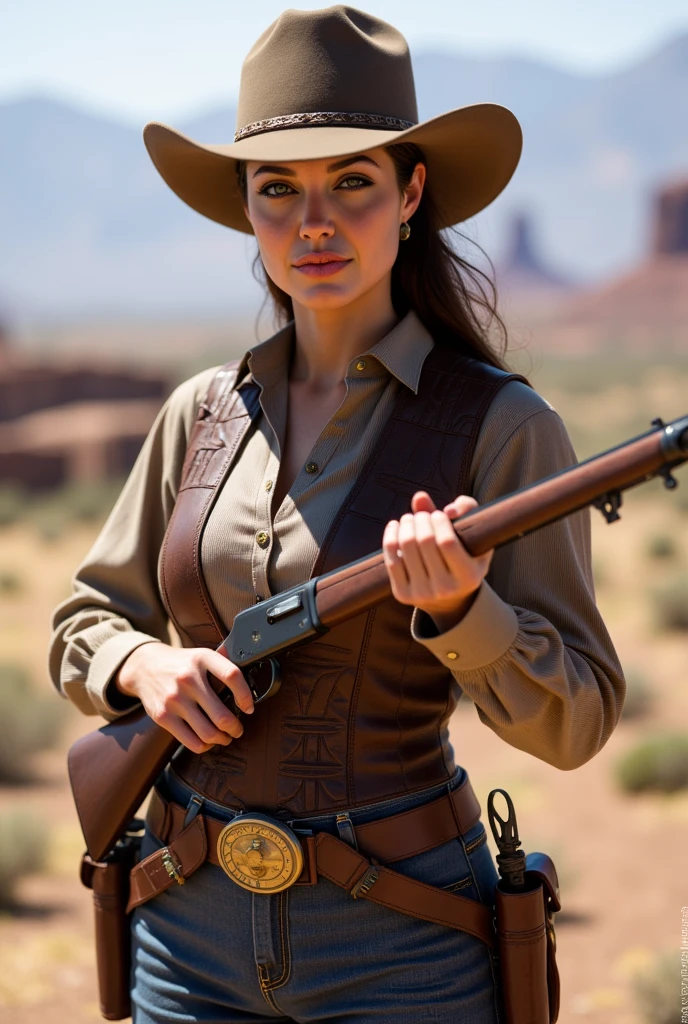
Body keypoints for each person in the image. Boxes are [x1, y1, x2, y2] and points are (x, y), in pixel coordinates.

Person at [48, 6, 625, 1023]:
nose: (313, 221)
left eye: (351, 183)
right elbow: (81, 625)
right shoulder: (202, 411)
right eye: (279, 190)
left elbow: (576, 719)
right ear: (248, 214)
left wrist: (463, 615)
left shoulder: (501, 425)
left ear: (410, 194)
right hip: (184, 933)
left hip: (403, 942)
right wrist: (147, 667)